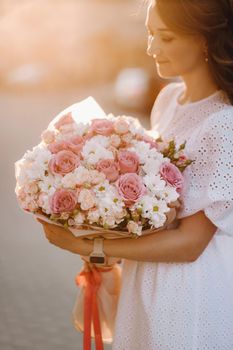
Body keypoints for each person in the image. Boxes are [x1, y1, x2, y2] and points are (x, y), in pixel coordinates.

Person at [38, 0, 233, 348]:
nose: (151, 47)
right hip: (146, 273)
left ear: (204, 40)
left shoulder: (223, 123)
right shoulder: (169, 98)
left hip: (191, 286)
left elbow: (192, 243)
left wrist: (90, 245)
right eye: (149, 34)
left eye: (166, 37)